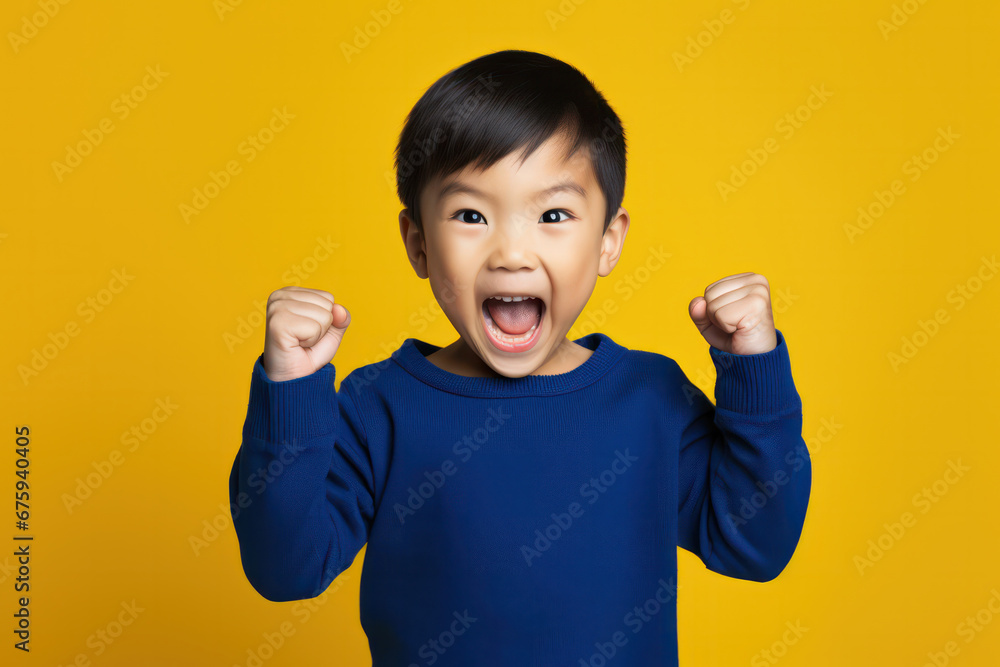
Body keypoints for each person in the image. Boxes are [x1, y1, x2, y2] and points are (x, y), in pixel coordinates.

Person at [229, 49, 811, 666]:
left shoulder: (651, 399)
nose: (511, 253)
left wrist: (755, 372)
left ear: (608, 241)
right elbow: (285, 567)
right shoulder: (378, 409)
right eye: (470, 215)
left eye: (554, 214)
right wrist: (290, 389)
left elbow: (755, 545)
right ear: (418, 244)